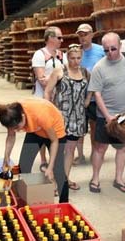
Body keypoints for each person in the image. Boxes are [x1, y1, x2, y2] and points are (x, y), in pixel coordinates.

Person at [87, 32, 125, 193]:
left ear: (120, 46)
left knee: (123, 147)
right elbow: (96, 94)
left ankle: (119, 178)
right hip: (106, 116)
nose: (110, 53)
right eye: (106, 50)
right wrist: (107, 116)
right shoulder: (99, 68)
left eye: (113, 49)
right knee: (100, 148)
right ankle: (95, 178)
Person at [0, 98, 69, 202]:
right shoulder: (11, 114)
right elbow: (10, 136)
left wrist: (50, 168)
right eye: (14, 128)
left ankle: (64, 203)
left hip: (55, 133)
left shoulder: (41, 115)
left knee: (58, 170)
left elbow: (54, 141)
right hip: (36, 131)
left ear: (23, 117)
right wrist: (6, 157)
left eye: (17, 127)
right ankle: (24, 198)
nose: (17, 130)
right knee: (23, 166)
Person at [44, 43, 91, 191]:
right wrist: (49, 110)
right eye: (72, 58)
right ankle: (54, 181)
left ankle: (64, 179)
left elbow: (92, 87)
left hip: (78, 118)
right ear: (67, 57)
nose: (75, 61)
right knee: (58, 149)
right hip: (61, 117)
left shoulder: (85, 72)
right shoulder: (60, 71)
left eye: (78, 58)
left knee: (71, 149)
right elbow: (47, 91)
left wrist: (87, 100)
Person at [31, 26, 64, 173]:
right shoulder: (39, 55)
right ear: (50, 38)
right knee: (42, 130)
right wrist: (57, 78)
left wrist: (53, 79)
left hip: (58, 100)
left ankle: (54, 160)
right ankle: (43, 160)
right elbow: (42, 80)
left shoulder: (62, 55)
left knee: (55, 130)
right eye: (59, 37)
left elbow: (66, 75)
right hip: (42, 100)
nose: (61, 40)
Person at [73, 23, 105, 166]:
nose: (83, 37)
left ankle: (94, 153)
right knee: (79, 128)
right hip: (79, 97)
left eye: (85, 34)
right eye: (80, 34)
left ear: (92, 34)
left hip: (95, 97)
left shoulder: (100, 50)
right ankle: (80, 155)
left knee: (94, 126)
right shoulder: (76, 52)